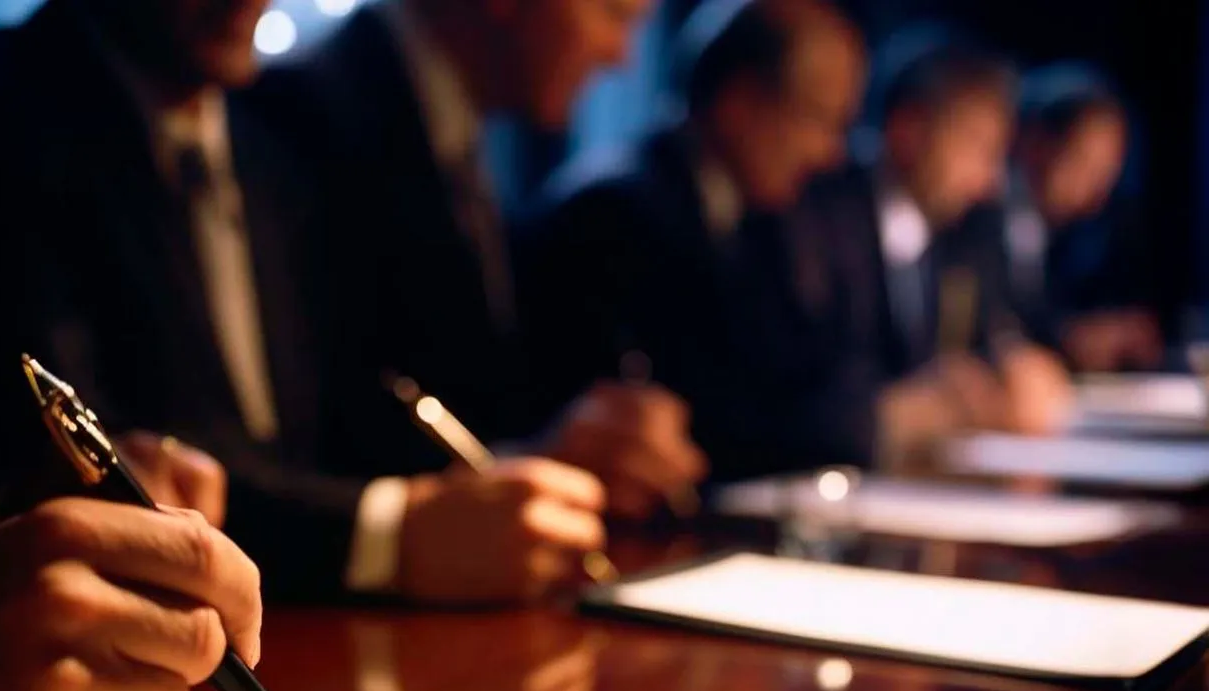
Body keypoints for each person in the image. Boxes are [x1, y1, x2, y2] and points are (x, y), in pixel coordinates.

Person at [0, 0, 611, 605]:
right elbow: (82, 471)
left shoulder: (275, 151)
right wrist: (388, 533)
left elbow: (327, 428)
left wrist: (503, 475)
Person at [257, 0, 708, 522]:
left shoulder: (454, 119)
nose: (621, 57)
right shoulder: (303, 115)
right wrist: (522, 467)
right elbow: (320, 439)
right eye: (613, 15)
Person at [523, 0, 873, 482]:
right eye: (817, 118)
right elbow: (720, 425)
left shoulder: (772, 219)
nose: (831, 154)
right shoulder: (610, 217)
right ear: (739, 103)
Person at [796, 26, 1074, 467]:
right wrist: (908, 409)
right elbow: (804, 392)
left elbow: (988, 341)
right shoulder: (817, 221)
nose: (988, 181)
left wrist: (1012, 368)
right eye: (977, 147)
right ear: (907, 130)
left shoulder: (963, 236)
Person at [1007, 64, 1164, 372]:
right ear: (1035, 144)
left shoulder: (1077, 239)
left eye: (1106, 175)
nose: (1097, 197)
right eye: (1086, 169)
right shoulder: (980, 225)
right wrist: (1066, 342)